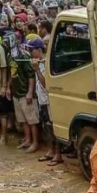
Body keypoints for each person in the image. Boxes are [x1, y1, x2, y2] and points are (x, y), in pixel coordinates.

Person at [28, 38, 62, 166]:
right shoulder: (39, 62)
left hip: (50, 101)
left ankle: (58, 154)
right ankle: (50, 151)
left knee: (53, 128)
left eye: (32, 50)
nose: (30, 53)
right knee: (46, 127)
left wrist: (36, 69)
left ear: (39, 50)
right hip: (42, 100)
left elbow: (46, 84)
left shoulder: (47, 63)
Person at [10, 35, 41, 153]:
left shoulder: (24, 56)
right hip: (16, 93)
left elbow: (31, 76)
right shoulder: (11, 57)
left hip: (25, 93)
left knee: (32, 120)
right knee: (23, 120)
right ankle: (28, 140)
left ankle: (35, 142)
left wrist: (29, 92)